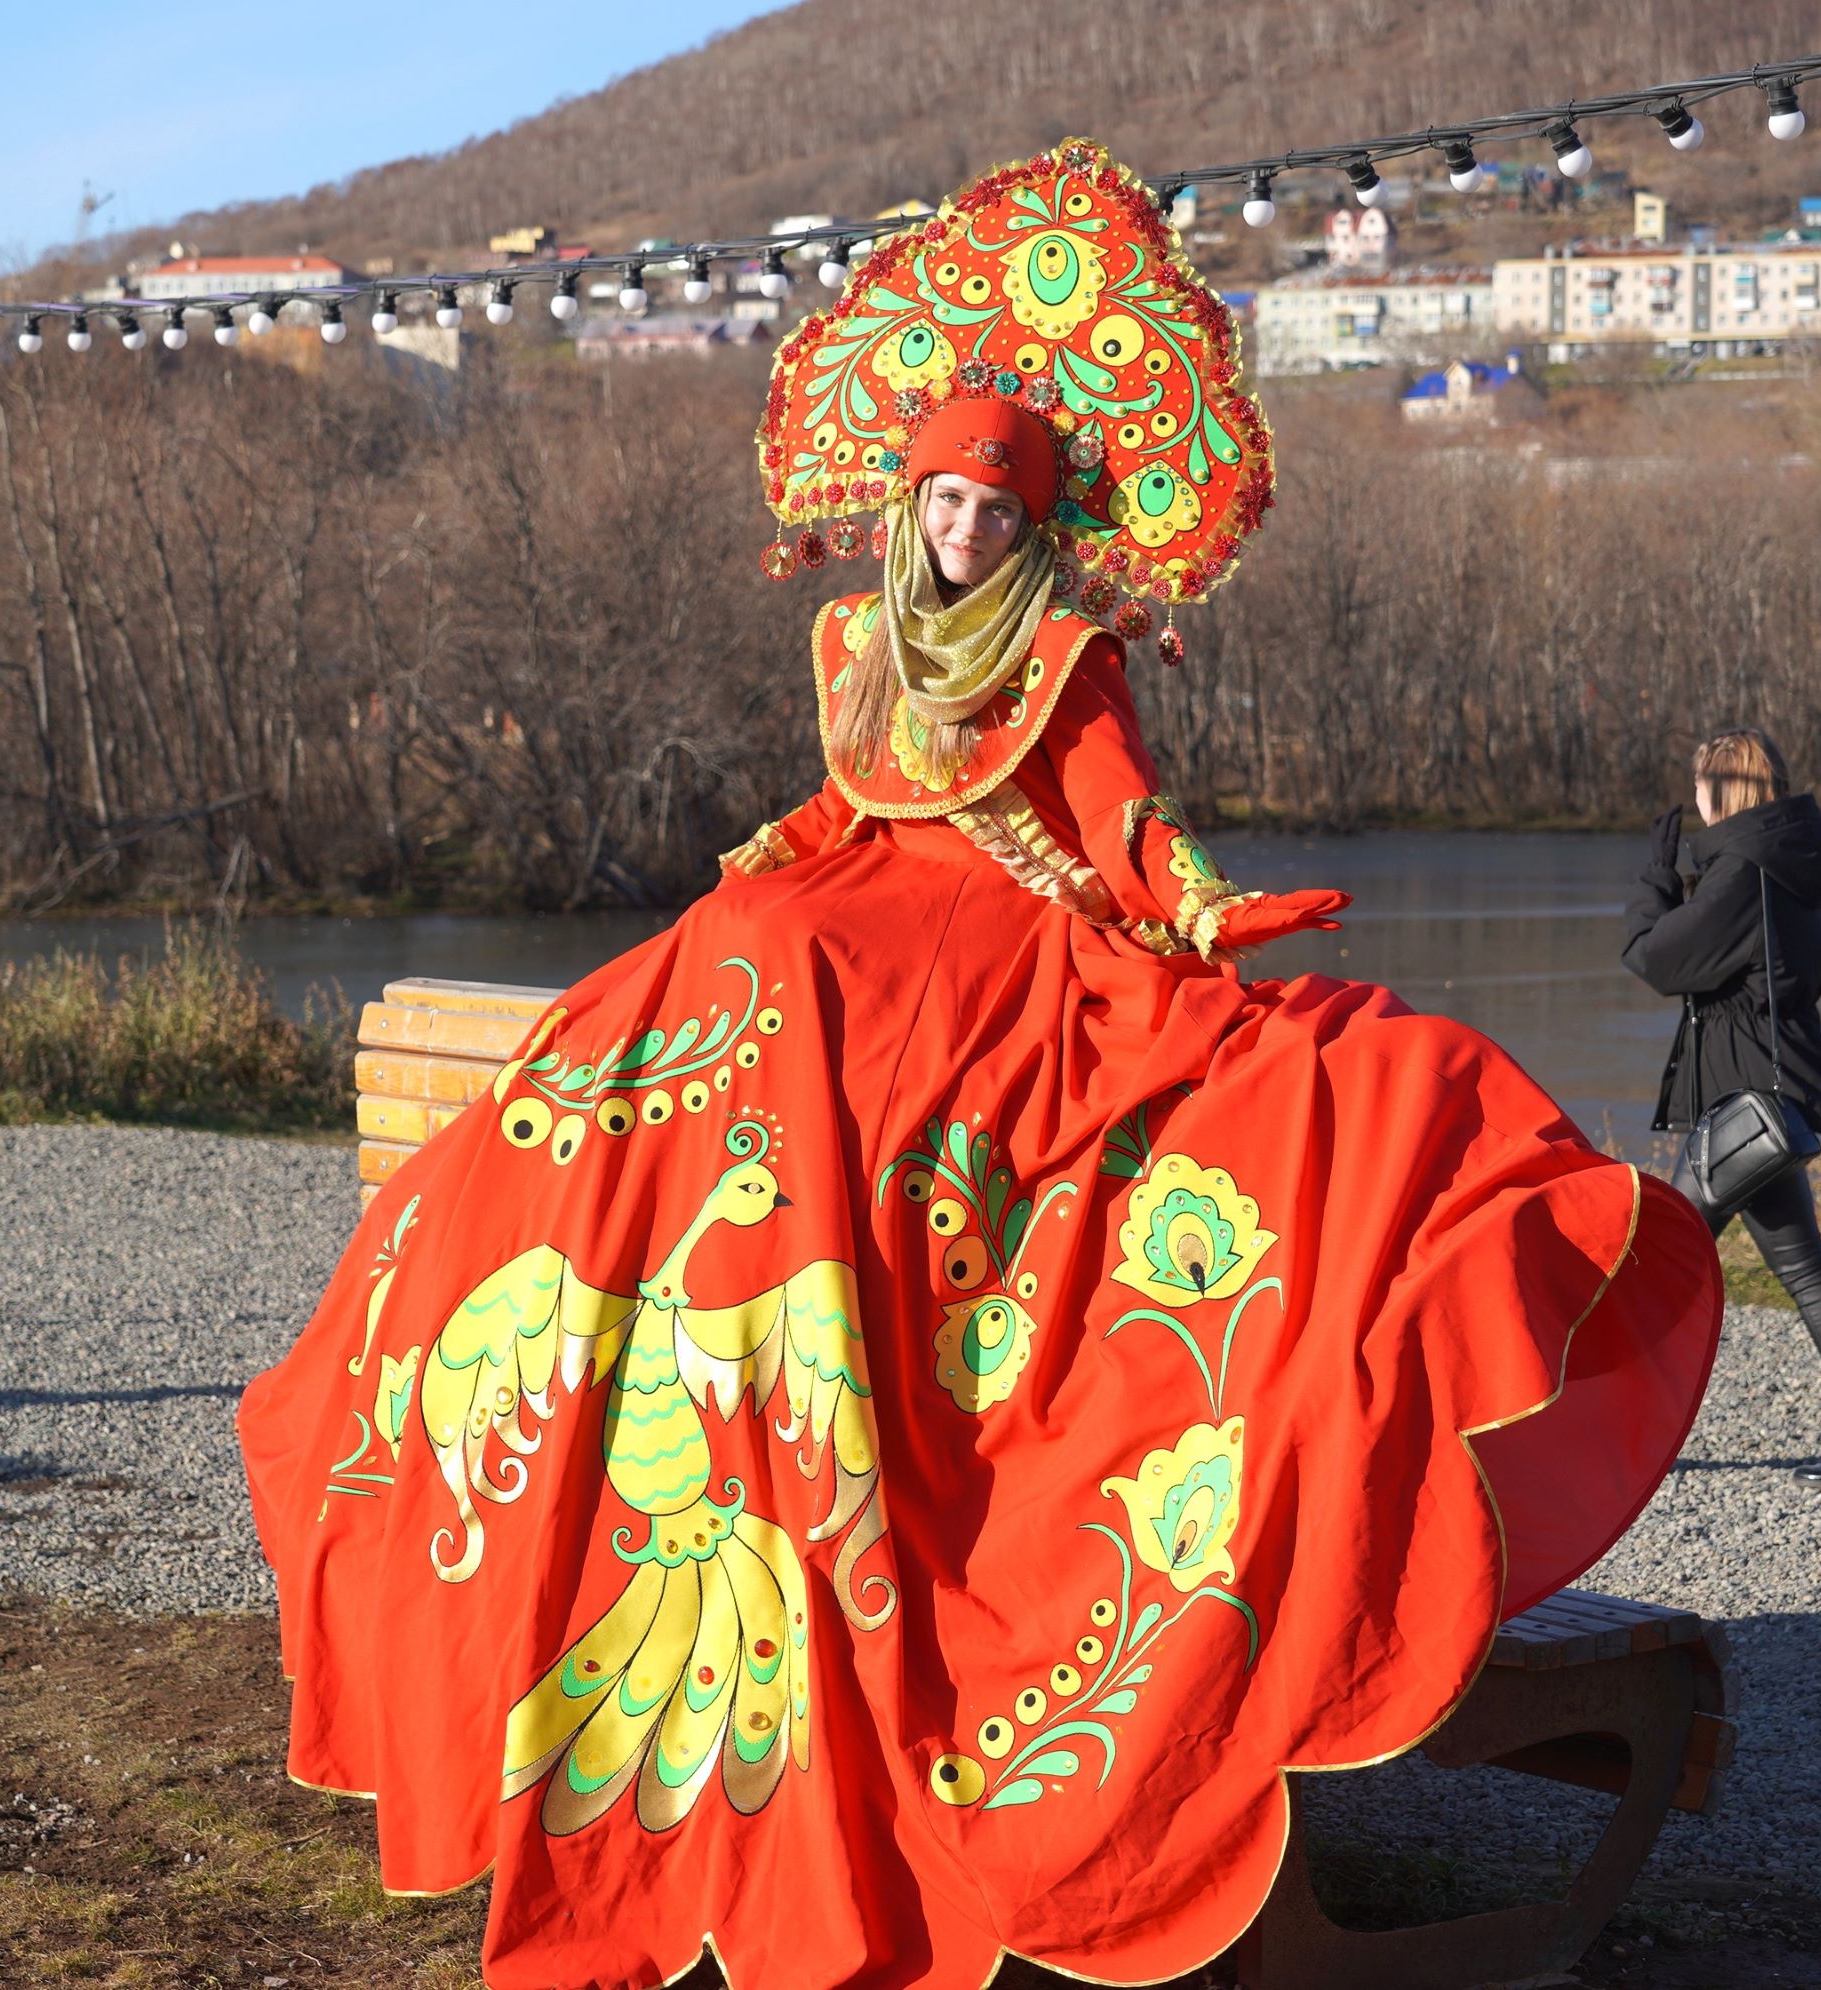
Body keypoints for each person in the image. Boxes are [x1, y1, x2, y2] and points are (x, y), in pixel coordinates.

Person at [240, 139, 1722, 1990]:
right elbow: (835, 806)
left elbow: (1122, 835)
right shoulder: (858, 640)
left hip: (1009, 953)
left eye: (992, 511)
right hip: (849, 921)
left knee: (1097, 1061)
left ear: (1034, 526)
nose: (961, 531)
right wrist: (756, 871)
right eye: (941, 499)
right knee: (738, 959)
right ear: (906, 499)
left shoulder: (1073, 654)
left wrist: (1211, 920)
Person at [1624, 728, 1821, 1491]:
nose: (1693, 799)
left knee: (1651, 1268)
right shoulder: (1785, 865)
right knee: (1807, 1270)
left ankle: (1606, 1441)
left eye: (1699, 785)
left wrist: (1655, 874)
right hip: (1766, 1098)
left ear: (1726, 790)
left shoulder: (1742, 874)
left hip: (1741, 1101)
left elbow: (1655, 959)